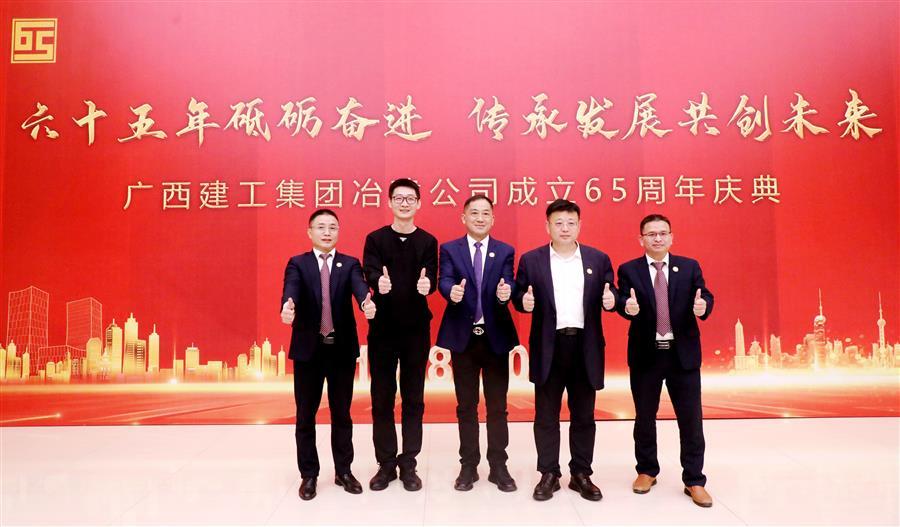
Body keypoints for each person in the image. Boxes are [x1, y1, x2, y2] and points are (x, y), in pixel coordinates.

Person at [512, 199, 617, 502]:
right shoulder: (532, 260)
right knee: (546, 414)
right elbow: (519, 294)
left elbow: (612, 292)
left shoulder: (598, 259)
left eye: (571, 223)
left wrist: (612, 300)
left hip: (585, 346)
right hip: (549, 346)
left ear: (580, 225)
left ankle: (581, 473)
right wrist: (523, 303)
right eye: (558, 223)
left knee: (584, 414)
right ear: (547, 226)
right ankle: (549, 473)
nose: (565, 228)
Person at [615, 214, 715, 508]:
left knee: (691, 420)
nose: (657, 238)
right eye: (651, 234)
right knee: (645, 417)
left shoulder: (689, 266)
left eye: (662, 233)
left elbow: (705, 296)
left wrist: (703, 306)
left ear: (671, 237)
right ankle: (647, 470)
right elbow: (622, 300)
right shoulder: (629, 269)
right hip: (646, 354)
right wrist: (626, 307)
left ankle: (694, 479)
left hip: (682, 355)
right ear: (641, 239)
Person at [280, 209, 376, 501]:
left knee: (341, 413)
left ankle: (343, 471)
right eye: (320, 227)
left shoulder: (350, 263)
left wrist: (366, 302)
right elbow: (291, 289)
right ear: (309, 232)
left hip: (340, 350)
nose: (326, 232)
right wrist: (287, 305)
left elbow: (360, 288)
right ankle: (309, 474)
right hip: (308, 351)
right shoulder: (298, 263)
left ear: (338, 232)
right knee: (305, 415)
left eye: (332, 227)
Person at [436, 195, 519, 492]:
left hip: (495, 338)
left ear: (493, 219)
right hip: (464, 339)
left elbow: (509, 282)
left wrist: (506, 292)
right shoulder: (450, 249)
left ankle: (498, 466)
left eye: (485, 213)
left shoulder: (505, 250)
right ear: (464, 218)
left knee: (498, 406)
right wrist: (451, 292)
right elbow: (444, 279)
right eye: (474, 213)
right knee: (466, 406)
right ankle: (468, 466)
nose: (480, 218)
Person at [362, 178, 438, 492]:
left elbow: (432, 277)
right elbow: (369, 270)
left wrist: (428, 285)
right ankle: (385, 463)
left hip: (416, 330)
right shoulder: (376, 239)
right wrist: (377, 281)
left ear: (419, 203)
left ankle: (409, 463)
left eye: (410, 198)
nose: (404, 203)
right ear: (390, 202)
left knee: (413, 398)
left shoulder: (428, 241)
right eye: (398, 198)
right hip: (383, 329)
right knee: (381, 397)